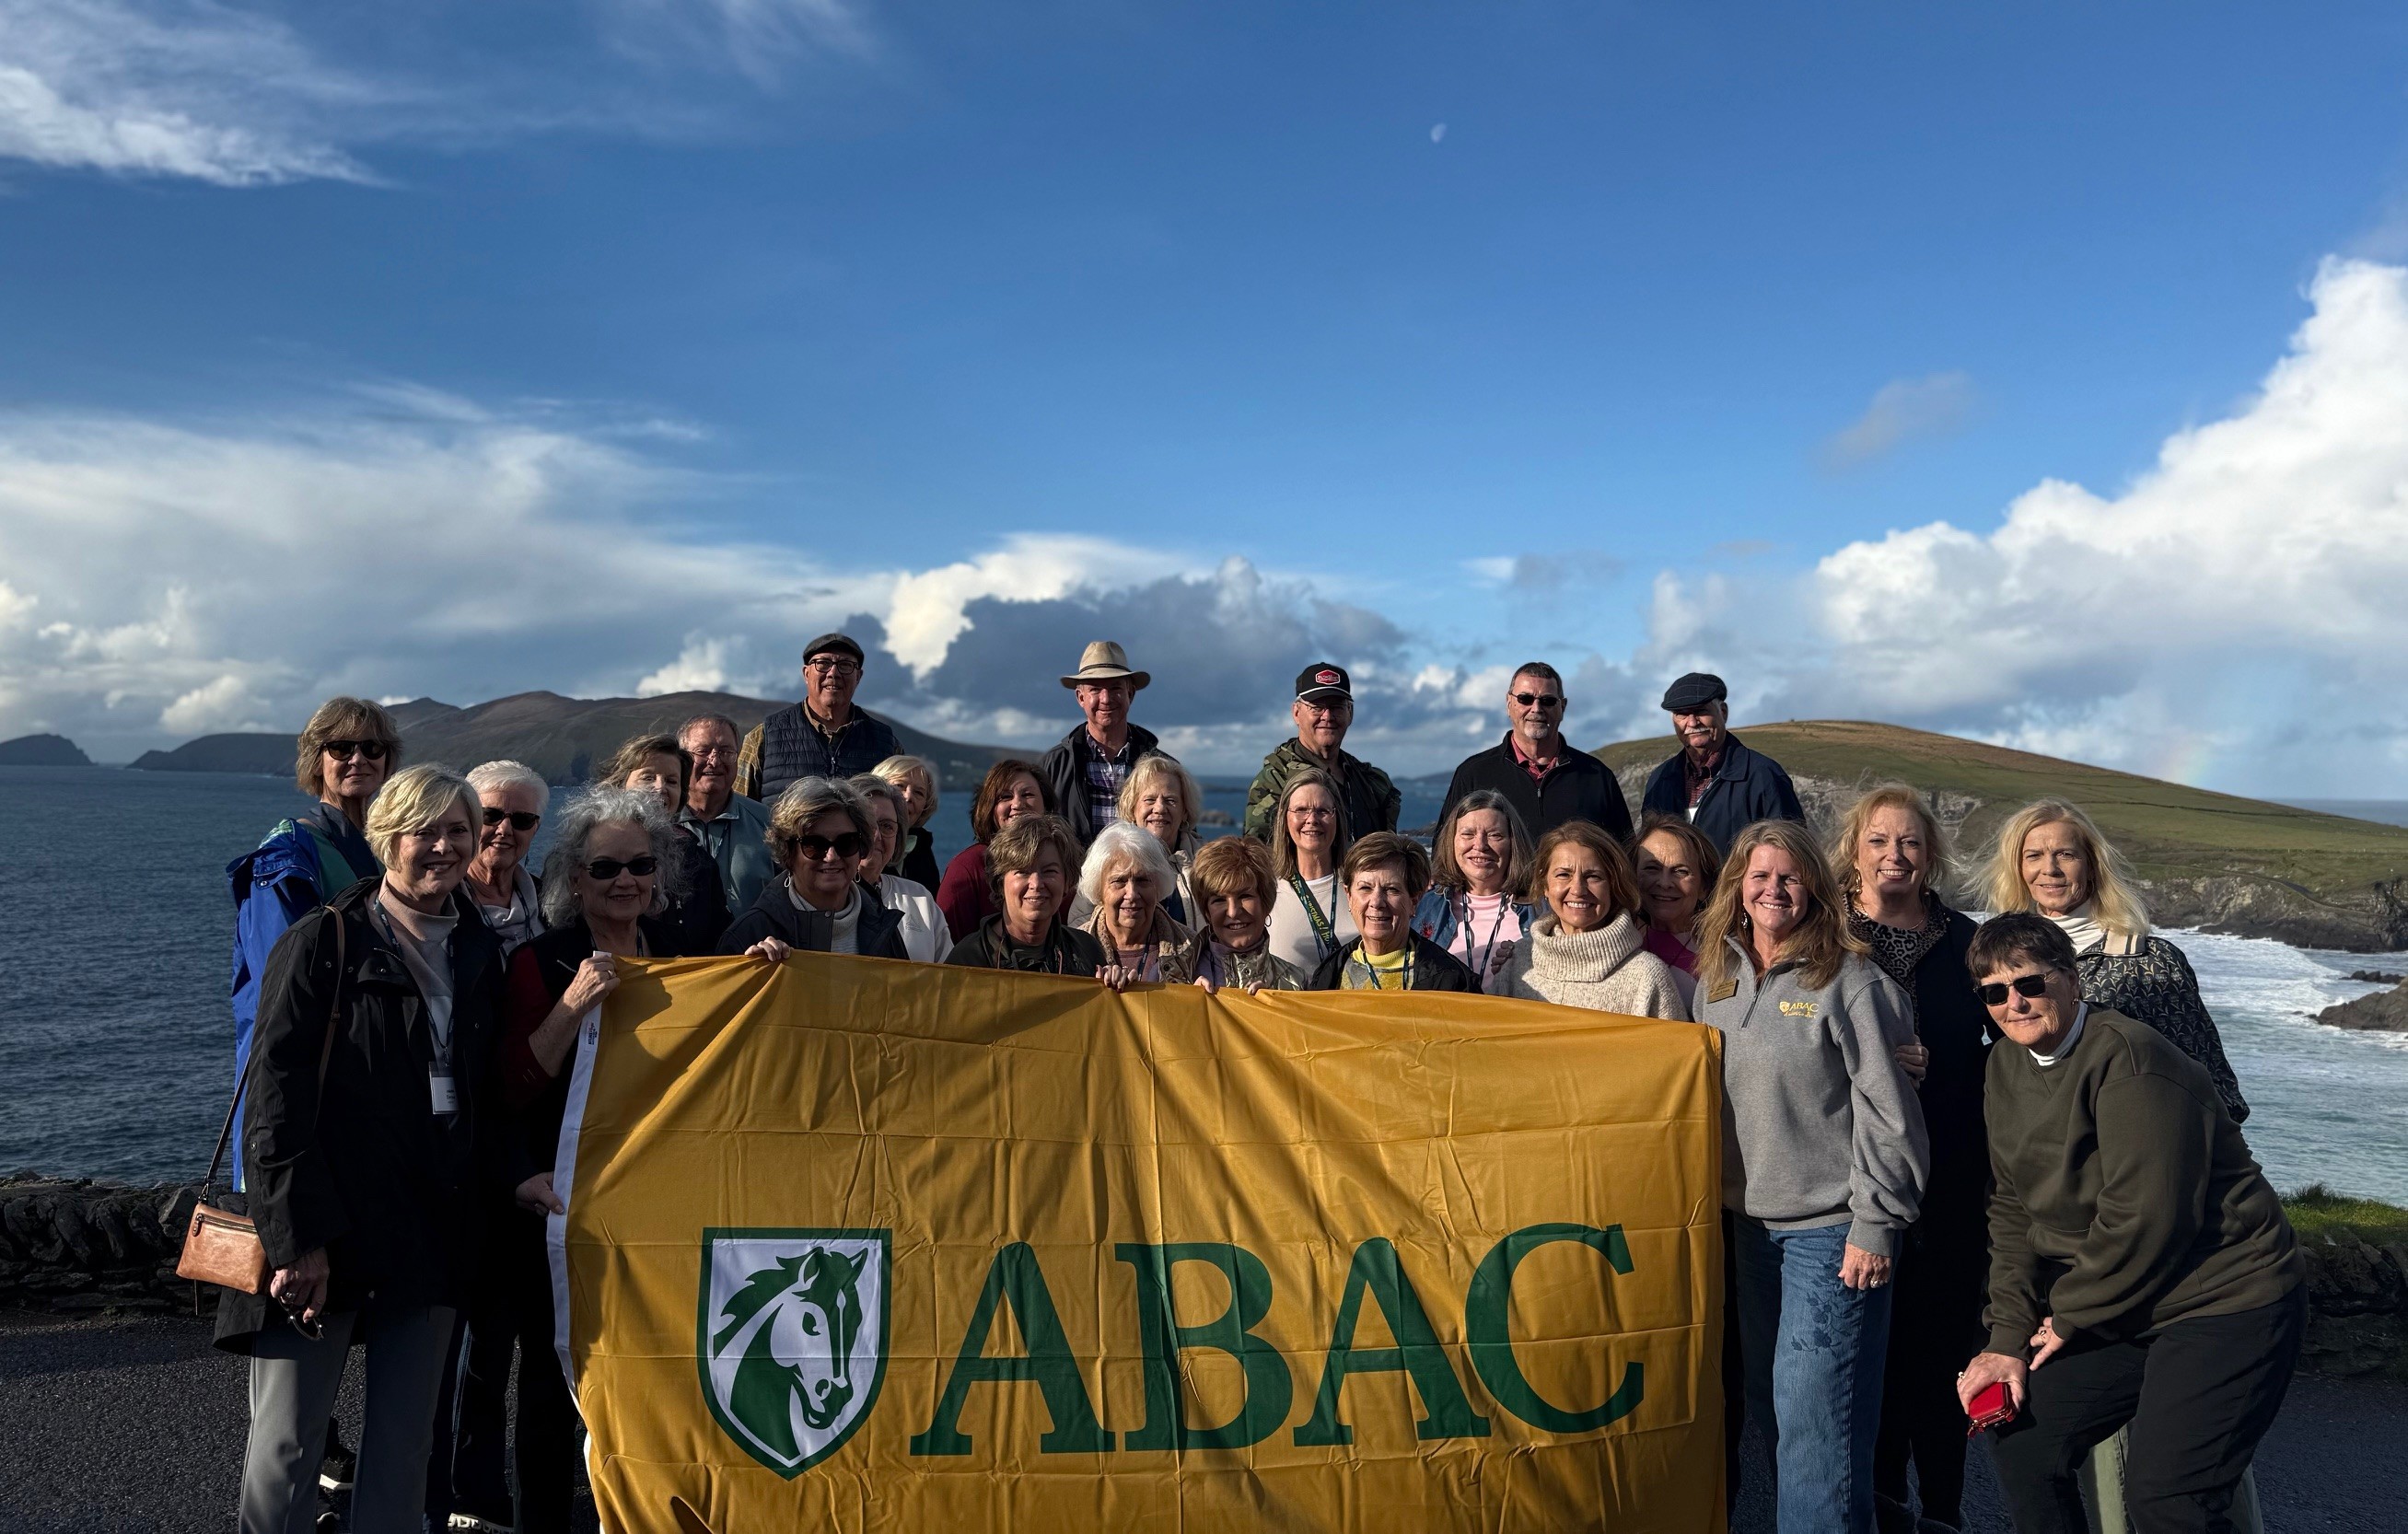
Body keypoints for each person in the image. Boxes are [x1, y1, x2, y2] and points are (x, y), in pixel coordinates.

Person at [222, 765, 517, 1534]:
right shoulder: (325, 940)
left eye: (459, 829)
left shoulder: (480, 953)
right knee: (285, 1451)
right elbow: (274, 1101)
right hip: (328, 1232)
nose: (445, 846)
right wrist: (299, 1240)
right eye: (425, 830)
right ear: (387, 837)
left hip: (432, 1236)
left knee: (402, 1451)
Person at [1957, 913, 2304, 1534]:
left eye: (2029, 984)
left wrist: (2066, 1316)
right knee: (2024, 1438)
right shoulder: (2001, 1072)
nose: (2013, 1003)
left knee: (2170, 1498)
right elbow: (2011, 1209)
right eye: (1993, 992)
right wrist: (2004, 1340)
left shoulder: (2130, 1059)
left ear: (2069, 980)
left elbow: (2145, 1218)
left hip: (2222, 1298)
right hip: (2127, 1301)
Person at [1693, 819, 1927, 1534]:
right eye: (1759, 876)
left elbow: (1892, 1117)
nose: (1773, 890)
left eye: (1789, 878)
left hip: (1830, 1236)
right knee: (1779, 1417)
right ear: (1736, 888)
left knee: (1817, 1426)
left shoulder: (1852, 982)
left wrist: (1876, 1226)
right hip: (1747, 1231)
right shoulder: (1716, 981)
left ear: (1816, 891)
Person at [487, 787, 697, 1534]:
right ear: (574, 880)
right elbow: (511, 1086)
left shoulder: (682, 959)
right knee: (552, 1383)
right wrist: (571, 1005)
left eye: (640, 865)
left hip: (657, 1205)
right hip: (566, 1204)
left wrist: (767, 967)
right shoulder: (540, 962)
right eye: (605, 867)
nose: (624, 881)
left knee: (659, 1376)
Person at [1834, 786, 1992, 1534]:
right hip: (1852, 1182)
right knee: (1871, 1363)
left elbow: (2005, 1041)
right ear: (1853, 849)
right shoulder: (1827, 934)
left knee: (1941, 1356)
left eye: (1909, 844)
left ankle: (1947, 1511)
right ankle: (1882, 1508)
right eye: (1878, 841)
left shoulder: (1966, 941)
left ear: (1931, 855)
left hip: (1953, 1179)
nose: (1893, 856)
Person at [1983, 799, 2248, 1124]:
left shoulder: (2152, 961)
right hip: (2035, 1148)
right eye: (2033, 856)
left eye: (2066, 854)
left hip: (2131, 1146)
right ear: (2018, 869)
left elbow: (2215, 1087)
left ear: (2092, 865)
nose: (2049, 869)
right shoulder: (1998, 959)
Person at [227, 697, 401, 1195]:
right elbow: (280, 984)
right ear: (316, 759)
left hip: (375, 1073)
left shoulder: (392, 849)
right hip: (310, 1072)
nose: (357, 758)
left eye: (372, 746)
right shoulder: (287, 855)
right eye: (340, 746)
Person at [1495, 821, 1689, 1017]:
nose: (1578, 890)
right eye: (1564, 874)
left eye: (1593, 877)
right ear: (1545, 884)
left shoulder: (1646, 976)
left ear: (1614, 885)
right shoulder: (1516, 963)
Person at [717, 777, 911, 959]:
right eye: (815, 845)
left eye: (846, 843)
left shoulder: (884, 927)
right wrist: (753, 973)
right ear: (788, 853)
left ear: (862, 847)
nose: (832, 856)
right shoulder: (749, 934)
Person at [1437, 661, 1632, 841]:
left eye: (1547, 701)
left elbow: (1624, 855)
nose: (1536, 708)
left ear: (1562, 707)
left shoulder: (1597, 777)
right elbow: (1444, 850)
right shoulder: (1474, 773)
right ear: (1509, 703)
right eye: (1525, 699)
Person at [1639, 672, 1805, 857]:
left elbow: (1791, 854)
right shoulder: (1660, 779)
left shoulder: (1763, 775)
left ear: (1723, 712)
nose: (1692, 722)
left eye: (1701, 711)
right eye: (1682, 714)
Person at [1240, 663, 1401, 843]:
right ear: (1296, 713)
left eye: (1337, 707)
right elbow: (1259, 856)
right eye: (1317, 707)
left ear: (1350, 713)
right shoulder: (1275, 781)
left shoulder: (1372, 783)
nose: (1327, 716)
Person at [734, 633, 903, 801]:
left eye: (845, 665)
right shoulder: (765, 736)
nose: (833, 673)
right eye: (823, 663)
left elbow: (906, 813)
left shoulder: (886, 743)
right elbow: (738, 809)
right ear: (806, 673)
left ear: (858, 677)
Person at [602, 733, 731, 954]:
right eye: (648, 778)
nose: (660, 788)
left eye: (671, 781)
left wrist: (756, 947)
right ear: (620, 785)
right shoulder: (589, 852)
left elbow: (721, 936)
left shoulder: (697, 861)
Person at [1308, 832, 1483, 992]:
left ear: (1414, 901)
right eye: (1365, 888)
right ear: (1349, 896)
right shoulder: (1327, 975)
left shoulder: (1452, 979)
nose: (1376, 902)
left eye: (1391, 890)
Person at [945, 813, 1111, 976]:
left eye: (1049, 871)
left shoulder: (1087, 951)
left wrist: (1118, 988)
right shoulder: (967, 960)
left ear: (1067, 882)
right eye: (1023, 872)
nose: (1036, 884)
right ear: (1000, 881)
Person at [1039, 641, 1166, 847]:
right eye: (1095, 690)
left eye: (1115, 688)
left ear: (1130, 694)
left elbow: (1182, 834)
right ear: (1081, 697)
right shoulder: (1053, 766)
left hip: (1140, 879)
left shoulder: (1162, 767)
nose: (1106, 699)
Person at [1413, 789, 1540, 989]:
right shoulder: (1426, 905)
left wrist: (1523, 963)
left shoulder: (1541, 908)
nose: (1480, 845)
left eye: (1494, 835)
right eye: (1468, 834)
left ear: (1513, 843)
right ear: (1451, 841)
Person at [1162, 834, 1310, 993]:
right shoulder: (1168, 975)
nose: (1233, 912)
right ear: (1207, 912)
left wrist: (1277, 1006)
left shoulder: (1297, 982)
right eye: (1219, 900)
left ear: (1266, 903)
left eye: (1245, 896)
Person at [935, 759, 1053, 937]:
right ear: (989, 808)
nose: (1017, 804)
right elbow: (947, 943)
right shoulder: (967, 868)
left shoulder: (1060, 863)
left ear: (1046, 804)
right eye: (1005, 797)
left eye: (1027, 794)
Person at [678, 713, 775, 912]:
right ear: (682, 758)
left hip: (752, 943)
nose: (714, 761)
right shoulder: (661, 823)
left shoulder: (768, 823)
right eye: (703, 751)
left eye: (726, 752)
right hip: (676, 945)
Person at [1265, 769, 1358, 973]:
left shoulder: (1362, 886)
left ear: (1337, 818)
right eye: (1301, 810)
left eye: (1323, 811)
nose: (1312, 819)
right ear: (1285, 820)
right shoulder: (1265, 889)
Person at [852, 774, 953, 962]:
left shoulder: (919, 898)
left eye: (887, 826)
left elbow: (949, 973)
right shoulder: (823, 896)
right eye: (865, 824)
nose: (876, 836)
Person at [1076, 820, 1190, 980]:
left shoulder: (1192, 948)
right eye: (1119, 881)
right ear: (1098, 888)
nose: (1132, 894)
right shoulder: (1072, 949)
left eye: (1142, 880)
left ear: (1158, 886)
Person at [460, 761, 547, 957]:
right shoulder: (441, 903)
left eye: (522, 820)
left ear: (535, 829)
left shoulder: (551, 903)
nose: (505, 829)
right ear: (467, 820)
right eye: (491, 815)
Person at [1633, 812, 1719, 1008]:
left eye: (1681, 871)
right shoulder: (1619, 946)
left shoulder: (1722, 954)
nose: (1664, 883)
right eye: (1652, 868)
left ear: (1704, 887)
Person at [872, 754, 945, 891]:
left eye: (919, 793)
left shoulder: (921, 847)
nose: (909, 796)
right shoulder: (859, 841)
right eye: (899, 786)